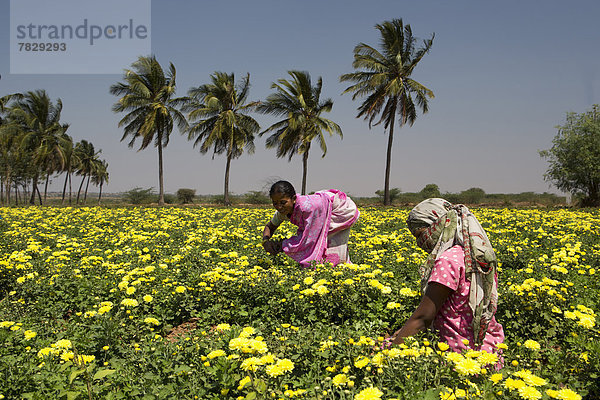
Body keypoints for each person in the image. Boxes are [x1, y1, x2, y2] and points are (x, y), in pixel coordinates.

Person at [387, 198, 504, 354]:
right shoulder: (477, 254)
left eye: (421, 234)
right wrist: (403, 331)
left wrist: (389, 353)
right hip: (488, 348)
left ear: (441, 225)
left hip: (458, 353)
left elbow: (423, 318)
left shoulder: (447, 260)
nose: (419, 243)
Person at [262, 180, 359, 267]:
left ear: (294, 199)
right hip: (323, 207)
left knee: (326, 243)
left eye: (283, 202)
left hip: (341, 210)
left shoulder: (307, 208)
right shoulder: (282, 212)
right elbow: (269, 226)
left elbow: (309, 239)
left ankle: (340, 270)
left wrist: (282, 245)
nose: (279, 207)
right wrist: (265, 241)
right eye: (275, 203)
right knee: (321, 243)